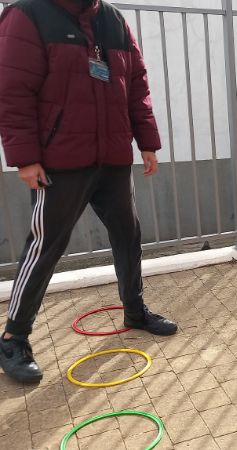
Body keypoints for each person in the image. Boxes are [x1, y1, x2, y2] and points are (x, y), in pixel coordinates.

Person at [0, 0, 178, 384]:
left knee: (128, 234)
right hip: (59, 160)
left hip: (112, 156)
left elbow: (136, 84)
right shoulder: (28, 14)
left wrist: (147, 141)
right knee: (46, 244)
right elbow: (12, 91)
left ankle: (134, 311)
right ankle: (14, 337)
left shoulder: (113, 19)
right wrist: (25, 157)